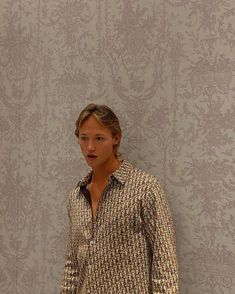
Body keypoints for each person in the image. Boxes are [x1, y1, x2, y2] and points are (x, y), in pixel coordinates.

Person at [60, 103, 179, 294]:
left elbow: (164, 260)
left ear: (116, 138)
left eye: (99, 138)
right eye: (84, 138)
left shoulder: (145, 188)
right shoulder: (76, 196)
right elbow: (73, 264)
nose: (90, 147)